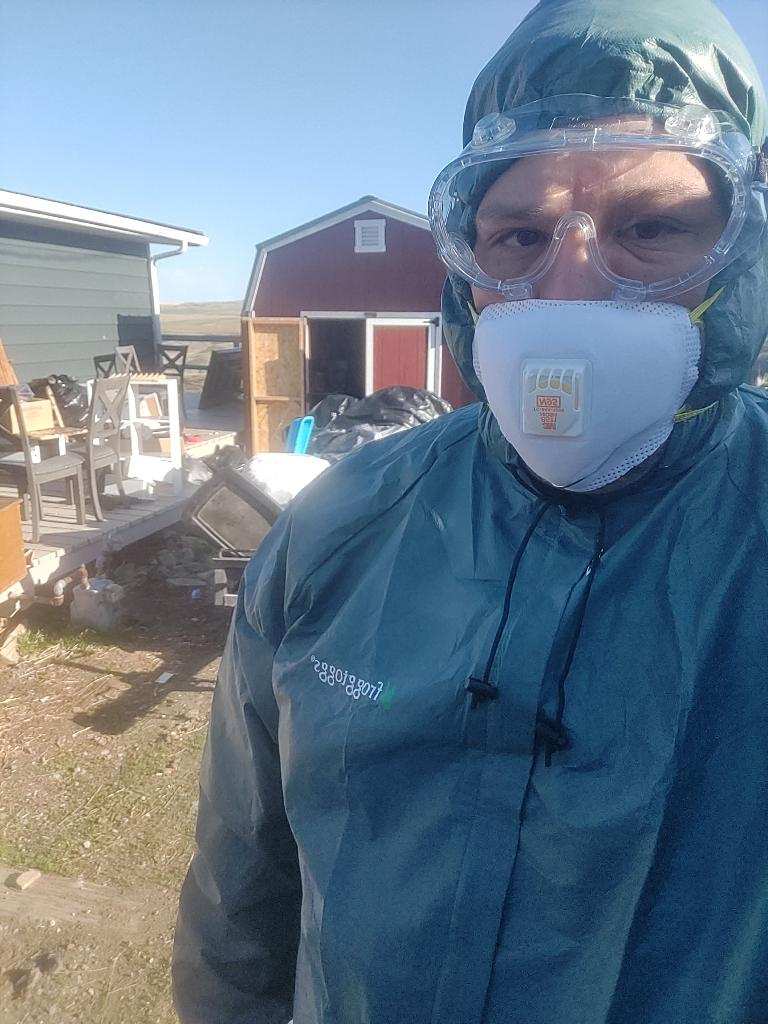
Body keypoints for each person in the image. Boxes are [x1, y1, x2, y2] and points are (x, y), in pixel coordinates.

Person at [172, 1, 768, 1021]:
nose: (568, 288)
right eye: (518, 235)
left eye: (652, 228)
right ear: (467, 270)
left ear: (741, 251)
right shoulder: (340, 529)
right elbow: (244, 881)